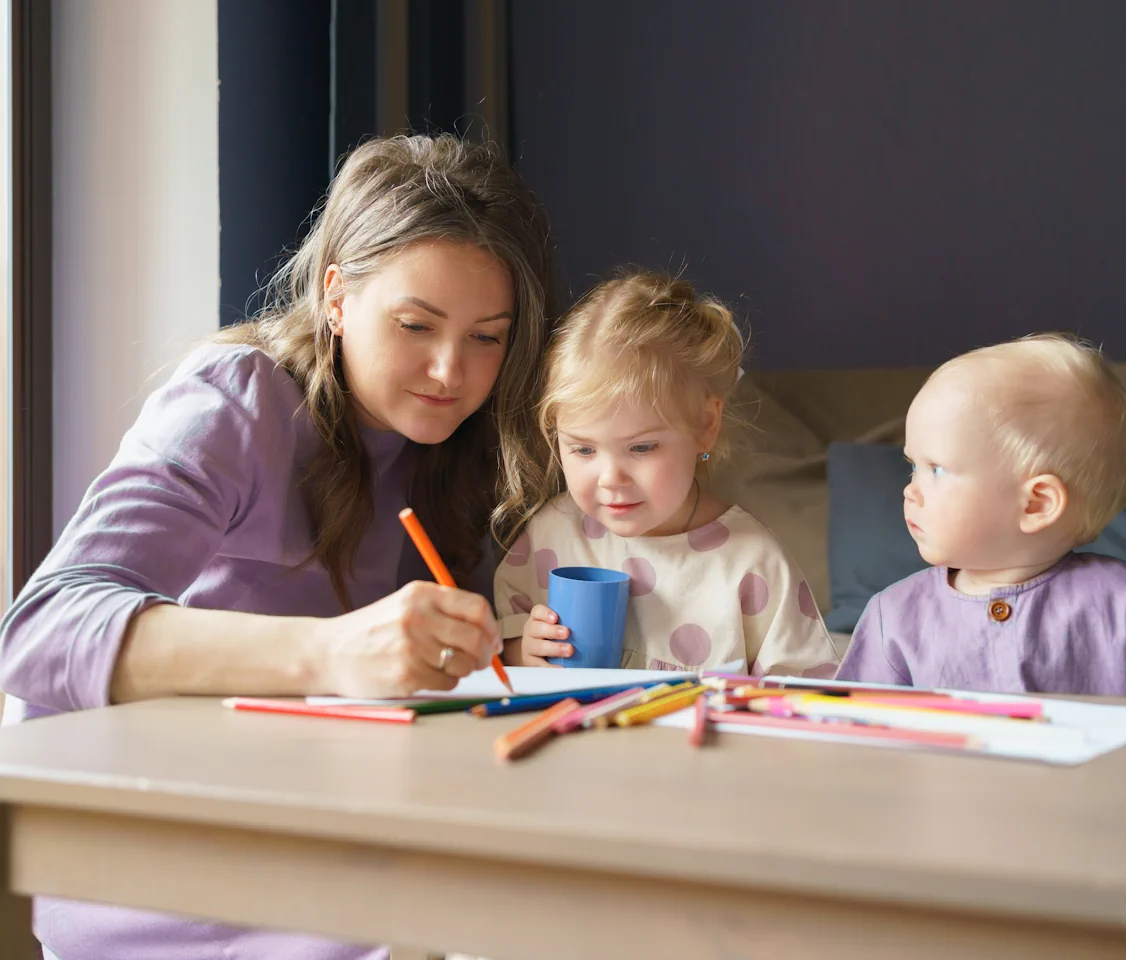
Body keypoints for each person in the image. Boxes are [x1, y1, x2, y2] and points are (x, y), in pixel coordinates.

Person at [0, 134, 558, 960]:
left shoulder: (454, 449)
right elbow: (41, 631)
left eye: (488, 337)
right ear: (336, 298)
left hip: (328, 819)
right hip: (165, 849)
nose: (451, 371)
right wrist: (331, 652)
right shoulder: (237, 400)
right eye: (416, 325)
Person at [493, 271, 839, 678]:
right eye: (583, 449)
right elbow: (501, 650)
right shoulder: (551, 534)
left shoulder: (751, 562)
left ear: (705, 425)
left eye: (641, 447)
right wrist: (522, 651)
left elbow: (803, 693)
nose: (610, 478)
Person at [836, 333, 1126, 696]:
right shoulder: (895, 616)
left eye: (938, 469)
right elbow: (847, 728)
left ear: (1036, 504)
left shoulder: (1123, 601)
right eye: (912, 466)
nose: (909, 489)